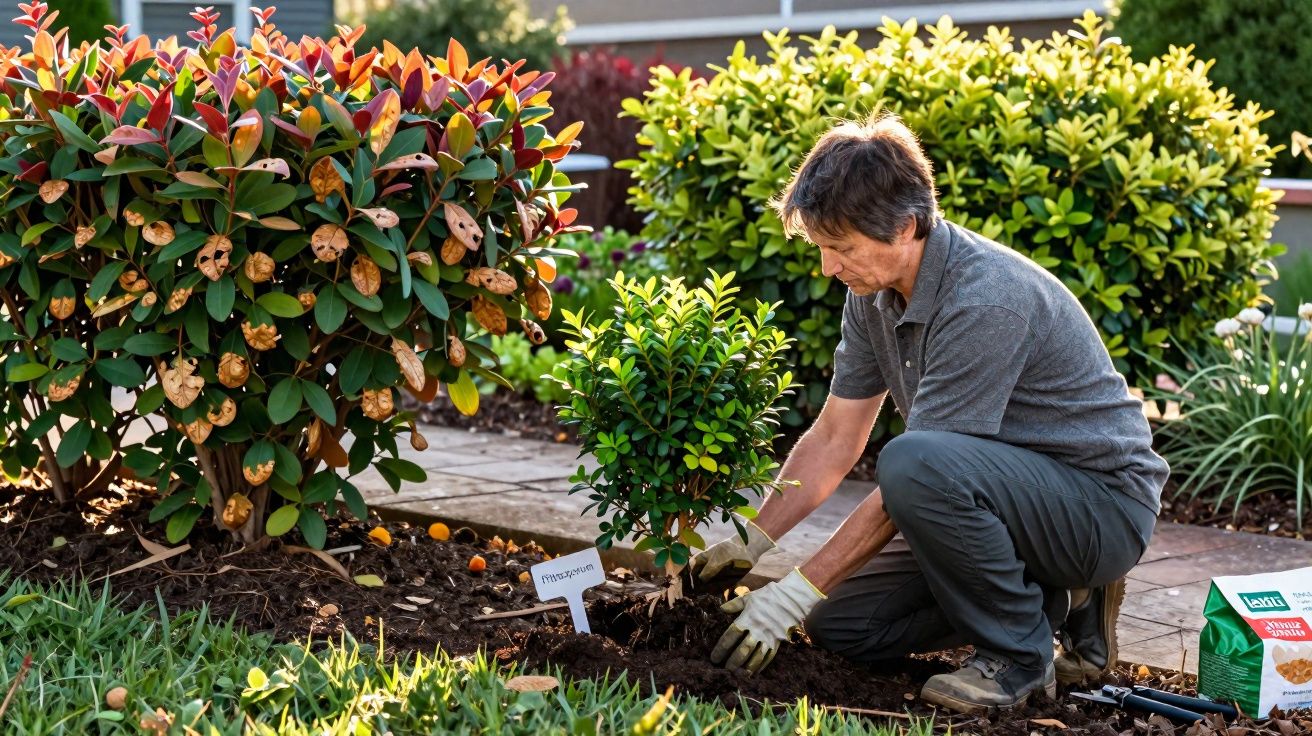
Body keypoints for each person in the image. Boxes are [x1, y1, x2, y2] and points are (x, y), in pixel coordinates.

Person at [694, 113, 1168, 715]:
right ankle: (1060, 601)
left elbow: (919, 479)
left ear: (906, 227)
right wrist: (752, 540)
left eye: (841, 249)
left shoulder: (985, 298)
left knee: (914, 462)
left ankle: (1019, 659)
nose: (828, 268)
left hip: (1098, 509)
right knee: (844, 627)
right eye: (822, 248)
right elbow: (837, 437)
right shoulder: (872, 295)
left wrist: (789, 594)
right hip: (1003, 502)